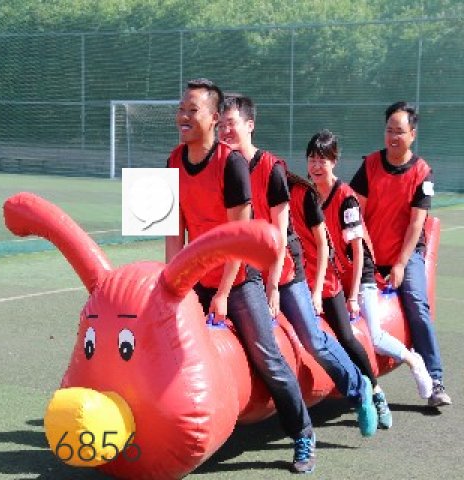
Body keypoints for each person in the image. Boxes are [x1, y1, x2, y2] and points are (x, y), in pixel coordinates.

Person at [165, 78, 316, 473]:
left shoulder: (231, 164)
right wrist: (173, 283)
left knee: (268, 356)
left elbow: (239, 237)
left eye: (192, 110)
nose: (183, 116)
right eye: (181, 109)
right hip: (195, 278)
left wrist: (221, 293)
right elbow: (173, 231)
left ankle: (302, 432)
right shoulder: (172, 161)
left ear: (214, 118)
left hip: (238, 278)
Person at [218, 94, 377, 437]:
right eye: (221, 125)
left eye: (231, 124)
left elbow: (278, 237)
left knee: (312, 338)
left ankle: (359, 388)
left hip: (284, 271)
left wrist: (273, 287)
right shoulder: (221, 166)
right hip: (244, 271)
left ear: (250, 125)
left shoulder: (271, 169)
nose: (225, 131)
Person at [303, 130, 433, 421]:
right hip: (333, 278)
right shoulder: (308, 195)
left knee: (372, 335)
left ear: (334, 161)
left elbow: (358, 250)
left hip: (360, 276)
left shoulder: (346, 198)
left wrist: (353, 295)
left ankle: (412, 361)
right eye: (311, 159)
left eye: (322, 160)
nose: (316, 166)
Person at [350, 102, 452, 408]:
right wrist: (363, 254)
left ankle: (435, 380)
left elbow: (416, 224)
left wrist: (400, 264)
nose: (393, 137)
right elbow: (355, 212)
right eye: (389, 130)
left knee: (417, 304)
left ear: (413, 134)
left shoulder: (423, 173)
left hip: (405, 255)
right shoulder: (370, 165)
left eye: (400, 131)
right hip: (370, 252)